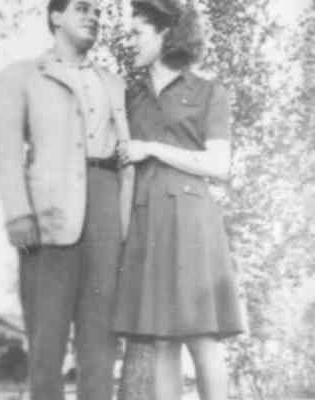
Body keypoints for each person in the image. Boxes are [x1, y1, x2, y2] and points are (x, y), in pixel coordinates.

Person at [0, 0, 134, 398]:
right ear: (55, 16)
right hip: (48, 215)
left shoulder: (114, 83)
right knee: (46, 341)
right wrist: (18, 213)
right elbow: (7, 151)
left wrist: (126, 224)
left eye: (98, 12)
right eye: (82, 8)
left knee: (101, 343)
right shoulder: (20, 76)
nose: (94, 17)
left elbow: (128, 157)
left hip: (106, 209)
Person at [113, 0, 246, 399]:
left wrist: (152, 148)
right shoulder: (131, 96)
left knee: (203, 337)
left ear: (166, 34)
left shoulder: (208, 92)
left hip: (191, 223)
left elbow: (218, 164)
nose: (129, 41)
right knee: (160, 340)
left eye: (137, 32)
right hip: (146, 222)